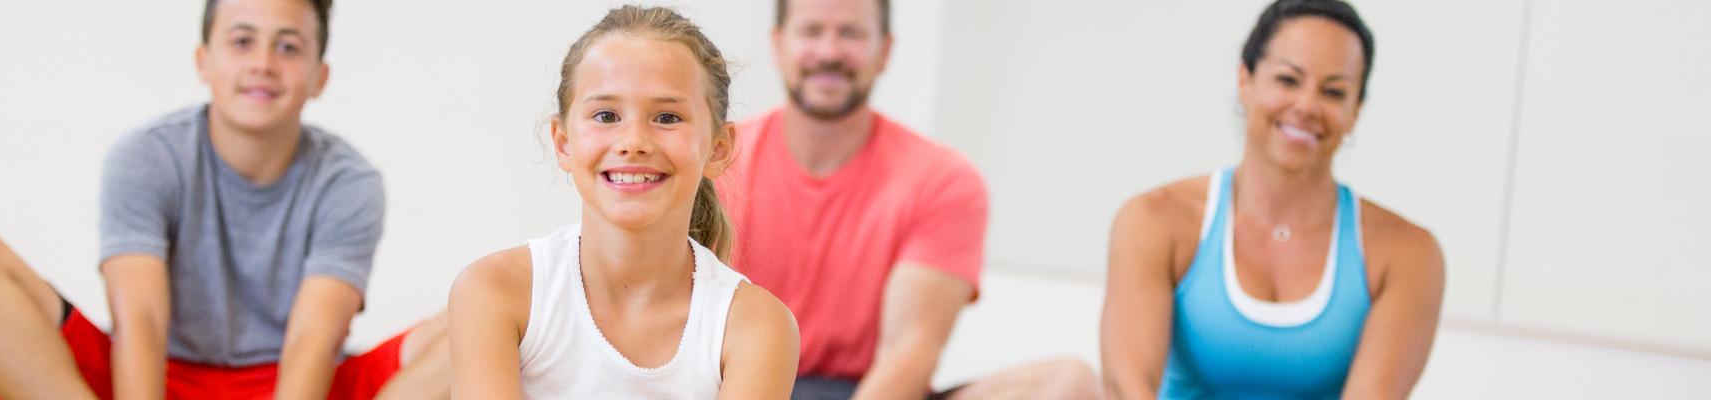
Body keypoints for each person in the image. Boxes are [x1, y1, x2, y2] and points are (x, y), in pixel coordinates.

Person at [0, 0, 406, 398]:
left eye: (289, 47)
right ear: (203, 62)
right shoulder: (147, 156)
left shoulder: (349, 182)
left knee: (476, 311)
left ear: (320, 75)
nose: (263, 64)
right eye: (241, 41)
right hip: (148, 379)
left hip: (291, 386)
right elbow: (140, 322)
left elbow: (312, 342)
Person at [722, 0, 1097, 398]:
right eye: (812, 31)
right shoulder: (717, 164)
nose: (830, 52)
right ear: (779, 46)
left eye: (850, 34)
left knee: (1069, 384)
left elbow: (908, 354)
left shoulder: (943, 180)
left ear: (884, 51)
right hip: (743, 386)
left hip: (875, 392)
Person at [442, 5, 801, 398]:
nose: (633, 142)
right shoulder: (494, 290)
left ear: (718, 148)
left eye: (666, 118)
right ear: (564, 143)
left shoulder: (755, 325)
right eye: (606, 115)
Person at [1098, 1, 1446, 398]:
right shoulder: (1154, 221)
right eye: (1287, 80)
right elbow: (1127, 389)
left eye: (1334, 91)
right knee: (1065, 383)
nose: (1307, 106)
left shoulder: (1406, 254)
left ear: (1355, 111)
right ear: (1245, 80)